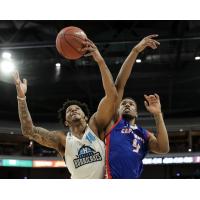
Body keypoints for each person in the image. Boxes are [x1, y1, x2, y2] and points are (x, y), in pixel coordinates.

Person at [13, 39, 118, 179]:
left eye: (77, 109)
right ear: (66, 122)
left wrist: (100, 61)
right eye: (69, 110)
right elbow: (28, 131)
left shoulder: (95, 126)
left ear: (86, 116)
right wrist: (21, 98)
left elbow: (111, 96)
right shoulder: (62, 139)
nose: (73, 110)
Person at [105, 35, 170, 179]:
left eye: (131, 104)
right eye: (123, 104)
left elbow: (163, 148)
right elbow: (120, 84)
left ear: (137, 114)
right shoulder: (113, 122)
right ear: (117, 109)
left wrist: (158, 114)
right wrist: (135, 51)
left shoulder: (143, 133)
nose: (127, 104)